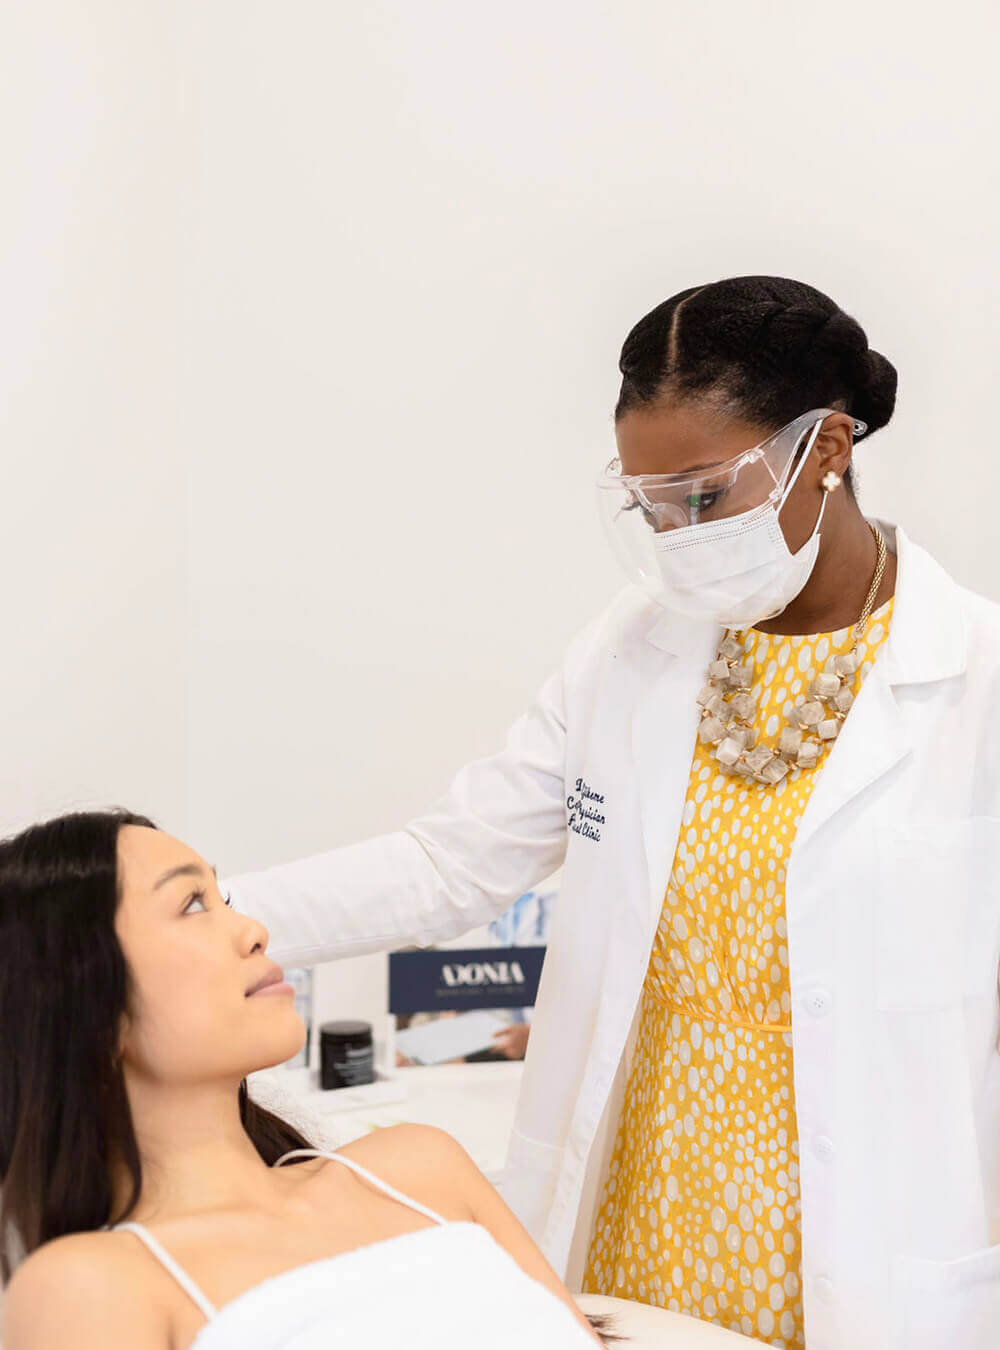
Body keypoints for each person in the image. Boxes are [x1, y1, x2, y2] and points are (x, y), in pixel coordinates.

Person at [214, 275, 1000, 1349]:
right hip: (638, 1201)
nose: (678, 536)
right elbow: (454, 863)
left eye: (705, 498)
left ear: (825, 449)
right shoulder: (635, 651)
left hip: (864, 1242)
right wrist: (199, 916)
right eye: (650, 505)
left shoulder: (976, 680)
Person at [0, 811, 610, 1349]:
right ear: (83, 1001)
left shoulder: (419, 1168)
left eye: (226, 900)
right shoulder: (90, 1287)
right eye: (191, 904)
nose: (255, 929)